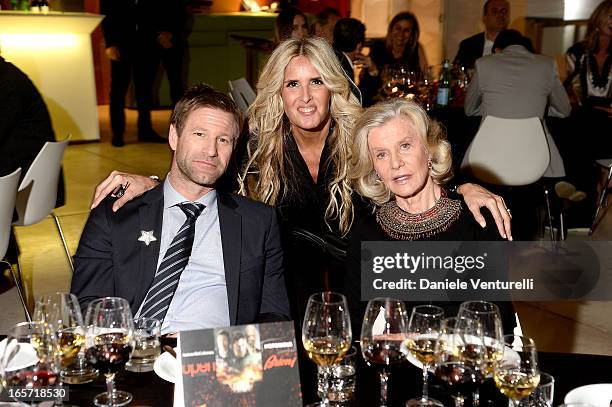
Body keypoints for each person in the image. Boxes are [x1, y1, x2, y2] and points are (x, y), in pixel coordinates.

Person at [89, 39, 512, 318]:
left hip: (358, 268)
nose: (306, 98)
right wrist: (151, 182)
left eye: (316, 83)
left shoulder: (359, 134)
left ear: (333, 87)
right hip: (286, 275)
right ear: (278, 90)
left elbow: (406, 165)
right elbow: (202, 168)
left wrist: (462, 187)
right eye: (293, 84)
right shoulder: (257, 144)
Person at [70, 84, 290, 334]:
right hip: (137, 354)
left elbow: (274, 314)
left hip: (214, 357)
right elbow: (86, 306)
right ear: (174, 136)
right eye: (199, 134)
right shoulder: (117, 212)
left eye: (223, 139)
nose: (211, 151)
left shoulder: (258, 221)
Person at [345, 98, 515, 334]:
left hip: (461, 363)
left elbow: (497, 319)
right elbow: (357, 325)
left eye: (405, 146)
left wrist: (413, 335)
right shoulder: (366, 231)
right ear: (374, 168)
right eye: (381, 154)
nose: (395, 163)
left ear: (429, 150)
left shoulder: (478, 218)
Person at [464, 29, 571, 238]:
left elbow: (469, 109)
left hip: (488, 158)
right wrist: (538, 111)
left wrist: (491, 111)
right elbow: (565, 110)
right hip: (534, 159)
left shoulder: (484, 64)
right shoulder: (547, 64)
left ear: (498, 49)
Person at [100, 0, 171, 147]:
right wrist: (110, 43)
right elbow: (107, 15)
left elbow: (160, 8)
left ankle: (145, 130)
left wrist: (162, 32)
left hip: (147, 41)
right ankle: (117, 133)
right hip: (121, 43)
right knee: (119, 90)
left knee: (145, 90)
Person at [333, 17, 381, 107]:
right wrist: (373, 71)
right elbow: (359, 102)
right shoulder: (344, 67)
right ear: (359, 46)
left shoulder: (333, 57)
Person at [369, 11, 428, 80]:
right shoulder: (378, 47)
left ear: (412, 35)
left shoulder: (416, 48)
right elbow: (368, 78)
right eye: (398, 28)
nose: (401, 33)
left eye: (406, 30)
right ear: (391, 30)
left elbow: (426, 77)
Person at [453, 0, 510, 70]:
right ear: (484, 18)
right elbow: (456, 72)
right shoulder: (468, 45)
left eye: (504, 11)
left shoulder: (517, 45)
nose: (500, 15)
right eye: (495, 11)